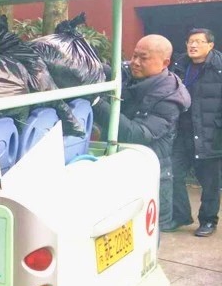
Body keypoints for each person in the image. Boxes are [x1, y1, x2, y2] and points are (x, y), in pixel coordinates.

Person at [92, 34, 190, 233]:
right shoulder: (130, 72)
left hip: (149, 174)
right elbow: (106, 71)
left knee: (145, 237)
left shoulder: (171, 97)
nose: (135, 62)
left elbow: (137, 134)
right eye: (134, 55)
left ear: (165, 63)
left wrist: (96, 103)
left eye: (143, 58)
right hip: (118, 166)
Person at [168, 28, 222, 237]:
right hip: (183, 132)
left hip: (211, 133)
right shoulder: (180, 65)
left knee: (210, 182)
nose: (193, 45)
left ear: (211, 45)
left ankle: (208, 221)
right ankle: (180, 215)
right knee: (173, 173)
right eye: (190, 41)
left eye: (199, 41)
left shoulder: (218, 68)